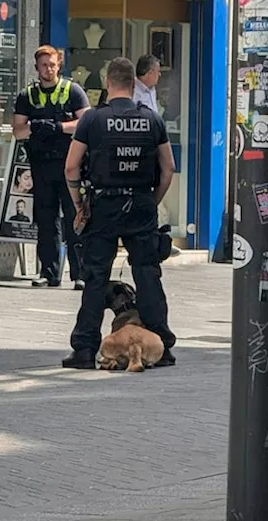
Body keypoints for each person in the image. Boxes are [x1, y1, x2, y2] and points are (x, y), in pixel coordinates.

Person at [62, 57, 176, 369]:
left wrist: (78, 203)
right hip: (140, 203)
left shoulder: (92, 120)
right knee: (148, 274)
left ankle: (84, 349)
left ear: (108, 82)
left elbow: (71, 166)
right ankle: (161, 345)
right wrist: (152, 201)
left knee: (96, 276)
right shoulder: (152, 120)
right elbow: (168, 169)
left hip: (104, 205)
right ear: (132, 83)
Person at [13, 45, 91, 290]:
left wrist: (59, 127)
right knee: (46, 220)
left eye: (53, 65)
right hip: (41, 164)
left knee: (74, 218)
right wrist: (36, 127)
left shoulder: (73, 91)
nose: (48, 69)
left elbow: (87, 123)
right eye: (44, 65)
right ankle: (48, 273)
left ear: (60, 66)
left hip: (70, 164)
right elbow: (17, 131)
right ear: (36, 67)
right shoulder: (27, 96)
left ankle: (80, 274)